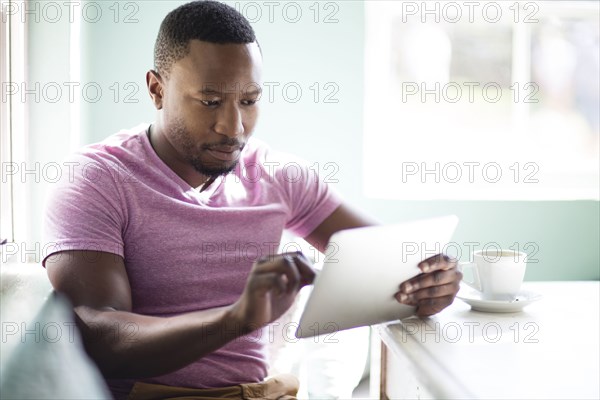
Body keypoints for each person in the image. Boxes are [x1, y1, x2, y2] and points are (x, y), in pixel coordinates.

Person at [42, 1, 462, 399]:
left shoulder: (279, 175)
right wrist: (236, 320)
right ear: (156, 89)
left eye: (249, 100)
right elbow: (97, 333)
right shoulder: (97, 180)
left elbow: (396, 260)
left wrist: (430, 281)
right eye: (209, 102)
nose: (233, 126)